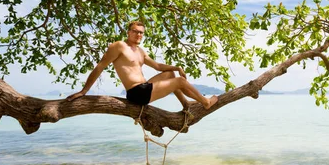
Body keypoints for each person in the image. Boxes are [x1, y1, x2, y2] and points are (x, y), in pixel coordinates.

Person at [66, 21, 218, 109]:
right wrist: (84, 91)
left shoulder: (140, 51)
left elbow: (158, 66)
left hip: (145, 87)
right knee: (180, 81)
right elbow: (100, 67)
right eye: (135, 31)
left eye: (141, 33)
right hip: (136, 93)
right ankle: (206, 102)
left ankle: (185, 104)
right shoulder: (118, 46)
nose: (139, 35)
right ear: (128, 32)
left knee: (170, 75)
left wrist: (177, 68)